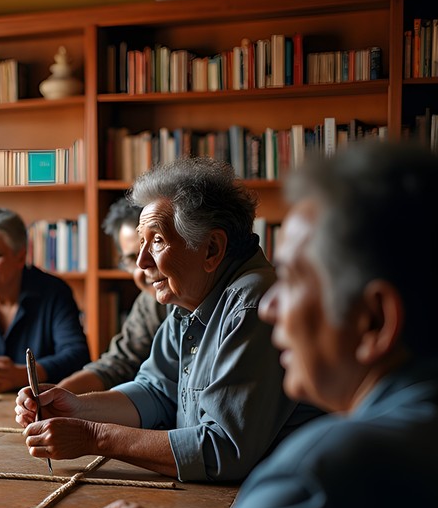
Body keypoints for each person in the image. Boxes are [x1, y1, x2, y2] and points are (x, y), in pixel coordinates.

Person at [8, 142, 438, 508]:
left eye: (298, 278)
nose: (272, 306)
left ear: (375, 319)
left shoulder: (333, 463)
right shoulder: (410, 433)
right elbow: (158, 391)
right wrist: (74, 405)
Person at [16, 157, 318, 481]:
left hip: (273, 501)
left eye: (157, 241)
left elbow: (221, 451)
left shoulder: (252, 304)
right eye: (141, 242)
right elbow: (157, 391)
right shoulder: (189, 299)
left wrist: (93, 437)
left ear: (211, 249)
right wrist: (76, 407)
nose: (142, 262)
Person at [0, 206, 90, 392]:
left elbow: (77, 356)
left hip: (42, 403)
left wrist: (24, 375)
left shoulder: (54, 291)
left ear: (20, 257)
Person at [58, 198, 168, 394]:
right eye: (132, 258)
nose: (143, 267)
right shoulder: (149, 301)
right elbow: (118, 363)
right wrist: (58, 393)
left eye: (156, 246)